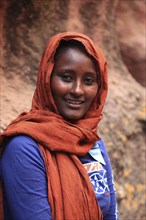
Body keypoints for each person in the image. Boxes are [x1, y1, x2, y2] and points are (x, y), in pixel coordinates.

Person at [0, 32, 118, 220]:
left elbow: (111, 214)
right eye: (66, 77)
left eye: (88, 81)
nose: (77, 90)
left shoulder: (92, 142)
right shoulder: (23, 148)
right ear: (47, 79)